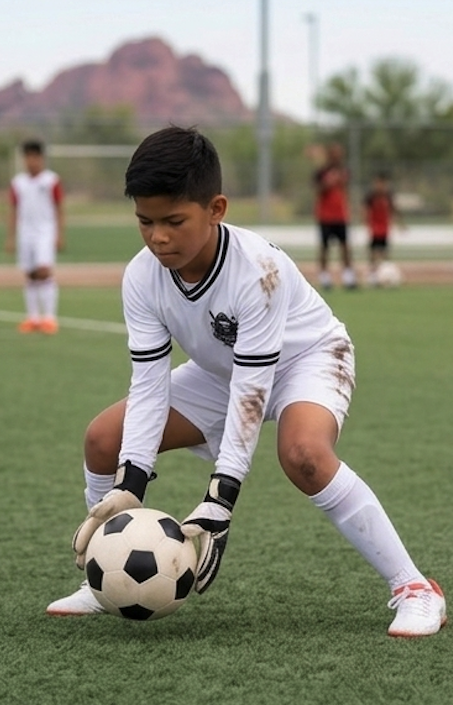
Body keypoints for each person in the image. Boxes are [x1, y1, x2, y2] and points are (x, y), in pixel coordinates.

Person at [47, 126, 445, 637]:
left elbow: (253, 391)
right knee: (104, 440)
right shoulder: (141, 276)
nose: (158, 237)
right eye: (144, 221)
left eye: (174, 221)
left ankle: (414, 588)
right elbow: (149, 384)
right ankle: (109, 571)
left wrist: (220, 498)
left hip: (308, 359)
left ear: (216, 209)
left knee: (303, 454)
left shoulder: (259, 270)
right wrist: (131, 484)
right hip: (223, 370)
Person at [6, 139, 64, 334]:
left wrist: (60, 234)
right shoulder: (18, 183)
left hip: (45, 230)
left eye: (35, 157)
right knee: (30, 274)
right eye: (27, 157)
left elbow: (59, 208)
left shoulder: (51, 180)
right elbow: (13, 210)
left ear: (41, 158)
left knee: (44, 271)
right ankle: (33, 318)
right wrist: (11, 237)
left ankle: (49, 317)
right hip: (26, 232)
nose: (31, 161)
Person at [313, 143, 357, 290]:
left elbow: (346, 189)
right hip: (325, 216)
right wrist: (328, 183)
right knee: (325, 247)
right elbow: (318, 190)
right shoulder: (322, 172)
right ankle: (325, 277)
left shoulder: (344, 171)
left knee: (345, 246)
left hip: (340, 215)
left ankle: (348, 277)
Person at [363, 171, 405, 286]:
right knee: (373, 253)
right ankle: (373, 276)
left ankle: (385, 275)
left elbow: (394, 209)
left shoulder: (388, 196)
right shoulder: (371, 197)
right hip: (374, 228)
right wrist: (365, 222)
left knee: (385, 253)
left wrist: (401, 223)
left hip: (385, 228)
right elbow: (365, 210)